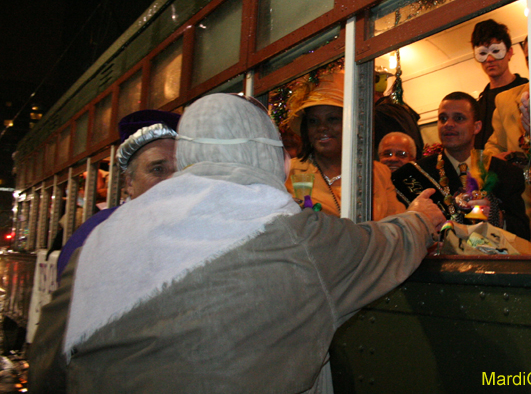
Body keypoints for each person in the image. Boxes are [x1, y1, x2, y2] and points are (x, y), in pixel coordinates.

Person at [28, 93, 445, 394]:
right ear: (265, 153)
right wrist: (424, 219)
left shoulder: (99, 243)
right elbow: (387, 242)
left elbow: (48, 368)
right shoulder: (298, 237)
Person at [55, 109, 180, 282]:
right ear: (130, 182)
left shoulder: (195, 225)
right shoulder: (96, 235)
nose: (172, 179)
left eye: (180, 170)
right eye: (157, 169)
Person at [393, 92, 530, 239]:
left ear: (476, 127)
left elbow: (523, 233)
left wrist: (497, 217)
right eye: (443, 119)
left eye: (459, 118)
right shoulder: (412, 174)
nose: (448, 124)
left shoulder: (506, 173)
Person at [285, 70, 406, 220]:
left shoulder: (378, 173)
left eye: (332, 119)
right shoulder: (289, 172)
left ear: (351, 124)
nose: (322, 127)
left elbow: (396, 226)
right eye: (313, 121)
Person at [471, 19, 529, 150]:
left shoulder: (527, 92)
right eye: (483, 53)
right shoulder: (479, 105)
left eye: (496, 51)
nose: (490, 59)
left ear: (509, 53)